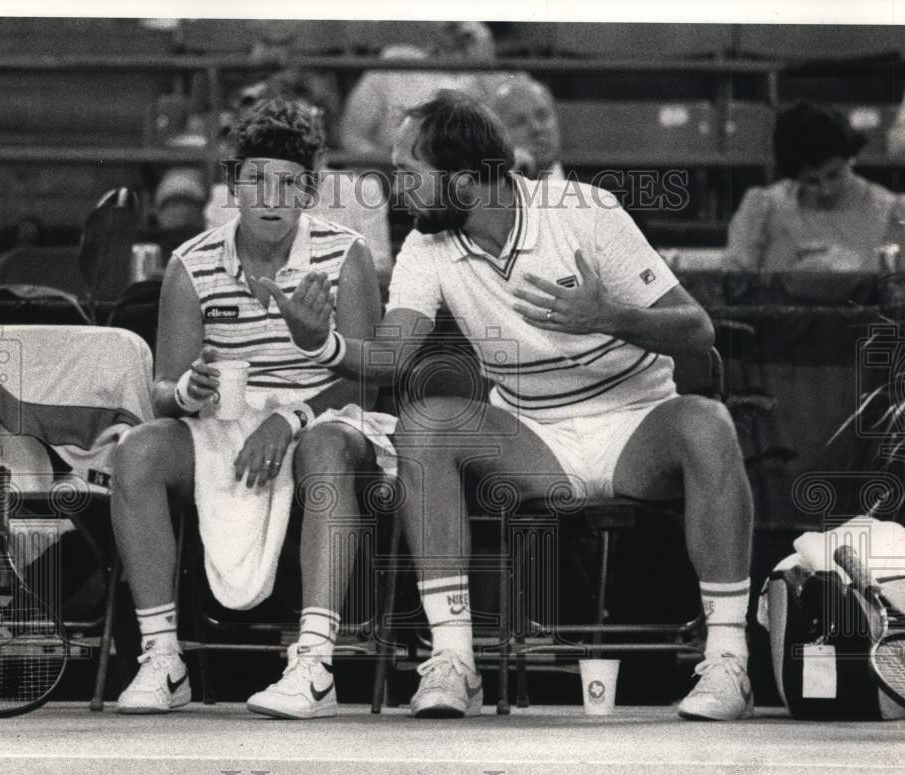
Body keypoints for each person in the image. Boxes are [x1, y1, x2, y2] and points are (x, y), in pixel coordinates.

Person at [263, 91, 756, 721]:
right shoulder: (424, 247)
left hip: (636, 423)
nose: (397, 189)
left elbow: (697, 330)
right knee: (426, 423)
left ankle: (728, 661)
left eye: (410, 173)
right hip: (534, 437)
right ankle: (454, 661)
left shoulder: (586, 211)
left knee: (709, 423)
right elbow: (389, 360)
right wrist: (320, 342)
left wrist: (610, 316)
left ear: (465, 180)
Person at [111, 100, 396, 719]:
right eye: (257, 180)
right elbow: (163, 390)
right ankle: (162, 659)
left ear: (309, 192)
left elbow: (367, 384)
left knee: (322, 447)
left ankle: (315, 664)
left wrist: (287, 419)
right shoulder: (191, 264)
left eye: (289, 183)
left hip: (326, 420)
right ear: (232, 185)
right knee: (136, 451)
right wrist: (191, 392)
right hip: (224, 426)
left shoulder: (346, 255)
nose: (272, 197)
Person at [205, 76, 395, 294]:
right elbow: (214, 279)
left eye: (306, 129)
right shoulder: (226, 197)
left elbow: (379, 275)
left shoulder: (363, 191)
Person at [723, 102, 905, 277]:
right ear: (794, 176)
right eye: (811, 181)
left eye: (834, 175)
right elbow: (734, 284)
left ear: (850, 159)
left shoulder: (892, 212)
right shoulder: (763, 209)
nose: (826, 190)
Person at [339, 22, 518, 161]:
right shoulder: (396, 60)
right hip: (393, 182)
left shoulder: (496, 76)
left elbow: (509, 139)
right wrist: (391, 168)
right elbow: (352, 136)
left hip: (467, 184)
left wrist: (484, 63)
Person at [488, 77, 565, 180]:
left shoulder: (590, 185)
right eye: (519, 122)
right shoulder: (485, 191)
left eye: (542, 116)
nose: (537, 129)